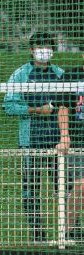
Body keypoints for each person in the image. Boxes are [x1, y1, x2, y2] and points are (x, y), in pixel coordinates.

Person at [4, 32, 69, 243]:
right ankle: (37, 234)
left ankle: (66, 232)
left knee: (63, 187)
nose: (44, 50)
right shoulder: (21, 74)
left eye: (48, 46)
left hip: (58, 141)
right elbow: (9, 105)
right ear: (31, 50)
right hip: (30, 140)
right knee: (31, 188)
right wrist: (36, 110)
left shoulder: (61, 73)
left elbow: (71, 102)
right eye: (39, 46)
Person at [60, 54, 84, 241]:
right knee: (80, 185)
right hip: (78, 142)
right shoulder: (71, 76)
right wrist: (65, 135)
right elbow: (63, 108)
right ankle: (67, 232)